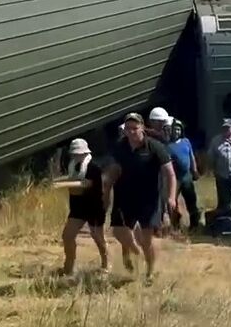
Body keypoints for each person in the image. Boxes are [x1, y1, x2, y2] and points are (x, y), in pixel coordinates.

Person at [103, 112, 177, 279]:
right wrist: (106, 190)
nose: (131, 132)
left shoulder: (155, 147)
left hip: (149, 198)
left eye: (135, 128)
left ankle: (150, 271)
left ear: (142, 127)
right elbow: (112, 171)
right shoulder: (120, 147)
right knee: (118, 231)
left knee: (146, 239)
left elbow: (170, 174)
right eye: (128, 128)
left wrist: (171, 197)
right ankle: (136, 253)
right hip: (124, 196)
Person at [57, 138, 109, 275]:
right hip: (78, 208)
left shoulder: (94, 168)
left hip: (94, 207)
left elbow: (83, 186)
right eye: (74, 154)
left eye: (78, 153)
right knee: (67, 236)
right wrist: (58, 181)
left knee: (98, 237)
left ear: (85, 153)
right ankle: (69, 266)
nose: (75, 156)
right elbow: (71, 180)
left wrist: (62, 185)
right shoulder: (73, 166)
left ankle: (106, 264)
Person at [168, 119, 201, 231]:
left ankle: (195, 225)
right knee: (172, 203)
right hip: (174, 178)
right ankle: (175, 225)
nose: (176, 131)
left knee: (191, 200)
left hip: (187, 176)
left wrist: (195, 171)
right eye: (174, 129)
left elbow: (191, 157)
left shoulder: (186, 141)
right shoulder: (167, 145)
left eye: (178, 129)